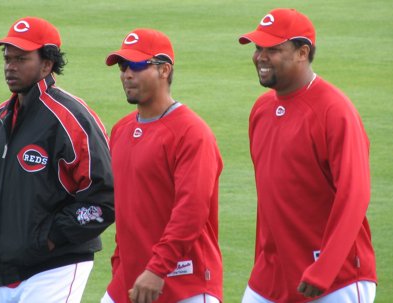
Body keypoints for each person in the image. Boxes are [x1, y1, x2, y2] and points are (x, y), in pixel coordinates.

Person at [238, 8, 377, 303]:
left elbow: (355, 194)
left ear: (303, 52)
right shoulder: (260, 111)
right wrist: (262, 260)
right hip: (269, 278)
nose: (260, 56)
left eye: (272, 49)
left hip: (335, 281)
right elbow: (270, 199)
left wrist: (325, 267)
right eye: (258, 48)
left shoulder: (334, 111)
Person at [0, 17, 115, 302]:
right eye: (7, 58)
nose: (10, 66)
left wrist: (51, 236)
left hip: (55, 267)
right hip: (6, 270)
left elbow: (105, 199)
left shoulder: (71, 118)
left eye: (21, 58)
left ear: (47, 64)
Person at [100, 28, 223, 303]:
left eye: (137, 65)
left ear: (164, 70)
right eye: (122, 66)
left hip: (184, 285)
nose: (126, 74)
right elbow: (125, 207)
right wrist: (120, 265)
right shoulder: (121, 130)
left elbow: (191, 211)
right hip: (128, 283)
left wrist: (158, 269)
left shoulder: (192, 133)